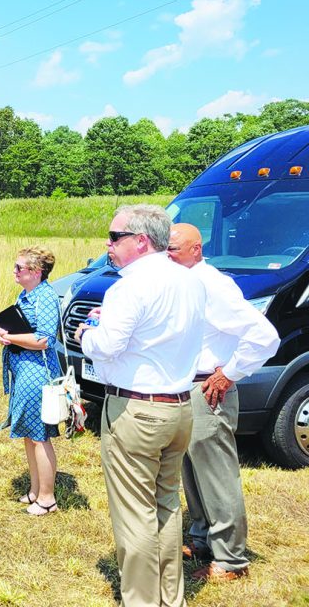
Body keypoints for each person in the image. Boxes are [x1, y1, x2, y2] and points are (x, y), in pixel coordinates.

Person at [75, 205, 205, 607]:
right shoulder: (190, 281)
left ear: (141, 241)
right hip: (180, 408)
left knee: (134, 515)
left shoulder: (129, 286)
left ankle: (142, 601)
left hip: (137, 410)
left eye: (115, 238)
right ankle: (171, 597)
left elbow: (108, 345)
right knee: (165, 506)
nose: (108, 246)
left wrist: (85, 334)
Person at [167, 223, 279, 582]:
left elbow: (264, 336)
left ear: (196, 249)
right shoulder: (183, 282)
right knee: (191, 469)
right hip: (186, 389)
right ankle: (202, 538)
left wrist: (229, 373)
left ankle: (231, 559)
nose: (167, 254)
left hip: (208, 390)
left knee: (216, 475)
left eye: (174, 249)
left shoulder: (212, 284)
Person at [0, 247, 63, 516]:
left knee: (39, 435)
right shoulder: (27, 294)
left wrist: (9, 338)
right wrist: (4, 333)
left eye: (19, 268)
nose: (14, 271)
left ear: (36, 272)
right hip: (24, 370)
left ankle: (47, 497)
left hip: (38, 373)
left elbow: (44, 339)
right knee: (29, 434)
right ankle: (35, 490)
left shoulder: (45, 297)